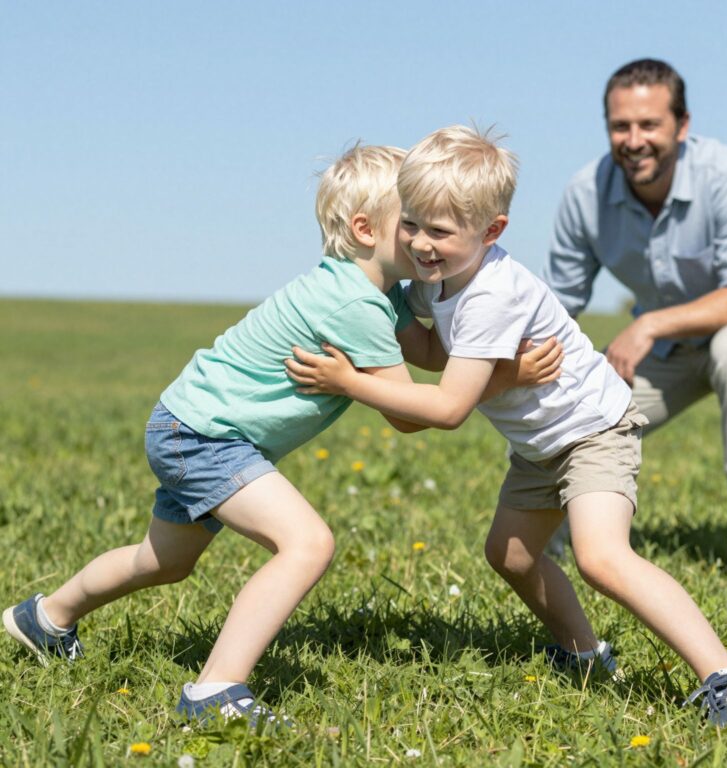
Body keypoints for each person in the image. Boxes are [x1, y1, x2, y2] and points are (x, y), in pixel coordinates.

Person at [2, 144, 558, 727]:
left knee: (162, 561)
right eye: (411, 219)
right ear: (366, 229)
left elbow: (431, 351)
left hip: (188, 423)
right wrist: (508, 377)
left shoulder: (375, 292)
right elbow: (411, 415)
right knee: (307, 543)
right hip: (204, 436)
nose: (423, 239)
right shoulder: (351, 304)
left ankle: (45, 618)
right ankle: (214, 691)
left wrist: (481, 316)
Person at [286, 125, 727, 727]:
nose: (420, 243)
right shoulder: (436, 277)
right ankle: (584, 654)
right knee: (511, 555)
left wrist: (347, 382)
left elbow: (447, 408)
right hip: (540, 445)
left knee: (602, 558)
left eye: (438, 231)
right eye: (411, 223)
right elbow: (434, 352)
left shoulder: (493, 293)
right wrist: (378, 309)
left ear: (491, 231)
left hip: (594, 430)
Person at [544, 58, 727, 595]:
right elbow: (558, 305)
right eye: (621, 126)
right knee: (574, 399)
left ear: (682, 126)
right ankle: (544, 534)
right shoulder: (585, 195)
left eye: (649, 125)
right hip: (668, 351)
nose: (634, 140)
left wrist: (649, 326)